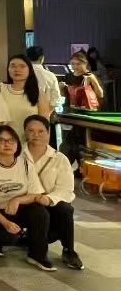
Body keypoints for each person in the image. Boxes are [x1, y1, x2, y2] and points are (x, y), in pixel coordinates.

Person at [0, 125, 55, 270]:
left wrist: (17, 200)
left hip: (18, 209)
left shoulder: (25, 163)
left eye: (11, 141)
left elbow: (35, 194)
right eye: (2, 141)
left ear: (18, 143)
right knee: (8, 239)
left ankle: (38, 255)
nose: (7, 144)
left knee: (40, 212)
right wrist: (6, 223)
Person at [23, 115, 84, 269]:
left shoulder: (59, 158)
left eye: (40, 131)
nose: (36, 135)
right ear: (25, 132)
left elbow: (66, 189)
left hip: (48, 202)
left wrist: (49, 198)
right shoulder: (16, 155)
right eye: (31, 131)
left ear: (48, 133)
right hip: (23, 202)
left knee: (66, 208)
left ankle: (69, 250)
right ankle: (36, 251)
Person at [0, 55, 51, 141]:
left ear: (29, 70)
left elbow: (44, 124)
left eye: (22, 66)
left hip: (29, 142)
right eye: (13, 66)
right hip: (5, 142)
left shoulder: (38, 93)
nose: (17, 69)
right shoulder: (0, 89)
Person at [27, 47, 59, 115]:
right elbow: (55, 99)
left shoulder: (22, 74)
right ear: (41, 58)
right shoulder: (50, 75)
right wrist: (46, 114)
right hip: (44, 114)